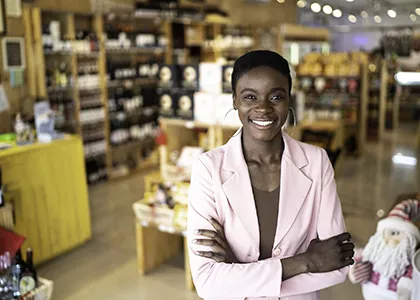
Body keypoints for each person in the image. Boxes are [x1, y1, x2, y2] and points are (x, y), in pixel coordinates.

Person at [187, 50, 354, 300]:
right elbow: (208, 282)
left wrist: (239, 271)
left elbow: (337, 265)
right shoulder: (208, 169)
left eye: (275, 96)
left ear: (288, 100)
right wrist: (304, 262)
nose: (263, 108)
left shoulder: (317, 162)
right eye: (250, 97)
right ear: (234, 101)